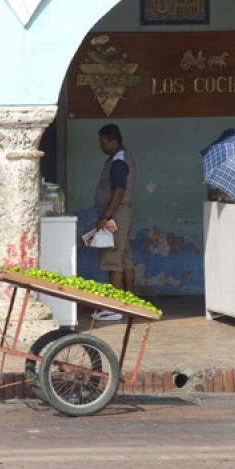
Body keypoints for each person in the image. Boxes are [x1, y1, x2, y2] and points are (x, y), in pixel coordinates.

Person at [93, 123, 136, 321]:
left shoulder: (118, 161)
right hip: (121, 214)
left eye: (103, 141)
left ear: (113, 141)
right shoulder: (120, 158)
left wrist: (106, 216)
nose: (100, 145)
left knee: (113, 260)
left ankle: (114, 307)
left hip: (116, 214)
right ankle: (129, 301)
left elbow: (118, 191)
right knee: (124, 258)